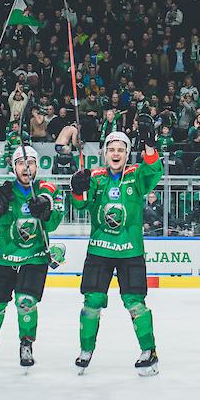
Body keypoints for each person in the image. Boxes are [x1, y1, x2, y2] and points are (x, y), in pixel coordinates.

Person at [70, 126, 162, 376]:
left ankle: (149, 351)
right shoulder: (96, 177)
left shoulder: (135, 176)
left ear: (127, 154)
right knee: (92, 301)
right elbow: (81, 204)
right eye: (111, 149)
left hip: (130, 251)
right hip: (99, 250)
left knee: (135, 303)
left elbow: (154, 171)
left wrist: (150, 148)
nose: (116, 153)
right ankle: (86, 350)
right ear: (104, 153)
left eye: (121, 149)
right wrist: (77, 189)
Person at [0, 146, 64, 368]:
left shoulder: (49, 189)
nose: (26, 167)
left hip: (34, 257)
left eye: (30, 162)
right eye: (21, 163)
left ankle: (26, 343)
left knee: (26, 302)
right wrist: (0, 209)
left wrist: (46, 209)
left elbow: (52, 224)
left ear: (37, 166)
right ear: (14, 167)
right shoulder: (4, 191)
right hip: (5, 257)